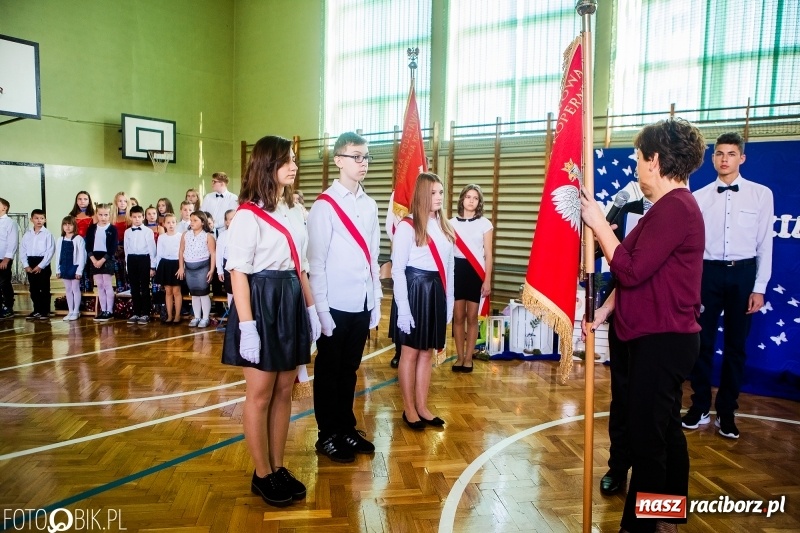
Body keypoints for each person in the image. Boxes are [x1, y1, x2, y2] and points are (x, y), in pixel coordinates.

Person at [581, 117, 706, 533]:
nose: (635, 164)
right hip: (653, 336)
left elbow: (631, 270)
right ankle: (669, 515)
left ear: (655, 160)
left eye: (638, 157)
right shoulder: (664, 209)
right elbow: (635, 274)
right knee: (665, 429)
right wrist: (603, 311)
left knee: (648, 439)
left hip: (664, 339)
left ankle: (641, 527)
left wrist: (599, 225)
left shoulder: (676, 208)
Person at [220, 135, 321, 507]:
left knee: (283, 390)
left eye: (294, 159)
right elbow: (238, 273)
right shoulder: (247, 215)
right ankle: (261, 474)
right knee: (260, 394)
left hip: (290, 299)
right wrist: (247, 327)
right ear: (267, 165)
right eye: (286, 160)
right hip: (262, 303)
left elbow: (301, 266)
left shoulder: (292, 209)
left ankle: (278, 467)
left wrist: (310, 312)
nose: (293, 166)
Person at [682, 132, 774, 440]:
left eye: (731, 154)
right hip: (707, 275)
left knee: (736, 347)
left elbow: (765, 245)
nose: (725, 159)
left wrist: (759, 286)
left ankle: (727, 412)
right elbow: (692, 246)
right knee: (701, 344)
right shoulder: (699, 197)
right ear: (712, 158)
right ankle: (700, 406)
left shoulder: (761, 195)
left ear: (741, 158)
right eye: (719, 153)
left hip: (743, 274)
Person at [307, 132, 382, 463]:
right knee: (328, 371)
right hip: (334, 304)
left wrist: (376, 301)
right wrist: (321, 311)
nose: (362, 163)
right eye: (355, 156)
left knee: (350, 369)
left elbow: (373, 259)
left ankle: (346, 427)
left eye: (366, 156)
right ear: (339, 160)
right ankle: (327, 434)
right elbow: (316, 263)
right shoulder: (324, 206)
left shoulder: (370, 204)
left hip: (361, 302)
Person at [584, 190, 651, 496]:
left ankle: (652, 488)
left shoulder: (681, 212)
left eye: (645, 159)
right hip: (624, 312)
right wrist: (599, 235)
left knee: (657, 411)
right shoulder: (630, 210)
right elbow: (614, 264)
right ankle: (618, 466)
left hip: (661, 327)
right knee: (621, 395)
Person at [391, 172, 455, 429]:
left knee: (427, 353)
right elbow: (397, 270)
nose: (439, 197)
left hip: (436, 292)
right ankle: (409, 409)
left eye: (440, 192)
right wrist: (403, 310)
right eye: (433, 193)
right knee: (410, 352)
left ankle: (423, 406)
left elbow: (449, 268)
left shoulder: (445, 226)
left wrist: (448, 301)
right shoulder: (407, 226)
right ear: (421, 195)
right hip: (414, 290)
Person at [449, 184, 493, 373]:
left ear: (479, 202)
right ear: (462, 199)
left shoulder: (485, 223)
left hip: (476, 272)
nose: (471, 200)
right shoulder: (450, 223)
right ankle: (459, 357)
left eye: (475, 198)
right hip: (457, 271)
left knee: (472, 317)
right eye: (468, 197)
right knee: (458, 317)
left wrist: (487, 280)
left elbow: (489, 255)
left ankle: (469, 358)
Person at [176, 210, 216, 328]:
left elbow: (213, 253)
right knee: (194, 294)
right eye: (191, 220)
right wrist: (181, 267)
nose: (192, 222)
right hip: (189, 268)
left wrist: (212, 269)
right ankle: (197, 317)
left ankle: (205, 318)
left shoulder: (207, 236)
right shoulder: (185, 235)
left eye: (195, 220)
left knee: (203, 293)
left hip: (202, 268)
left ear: (202, 222)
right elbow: (181, 250)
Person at [124, 205, 157, 325]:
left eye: (139, 217)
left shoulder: (148, 231)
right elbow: (126, 250)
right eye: (134, 217)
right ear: (131, 218)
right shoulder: (127, 232)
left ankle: (146, 313)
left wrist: (152, 266)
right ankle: (136, 312)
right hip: (132, 259)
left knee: (144, 287)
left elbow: (152, 250)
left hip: (144, 259)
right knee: (134, 288)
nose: (137, 219)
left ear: (143, 217)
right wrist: (127, 266)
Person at [20, 209, 54, 321]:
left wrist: (41, 266)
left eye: (42, 218)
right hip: (31, 262)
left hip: (42, 263)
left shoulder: (47, 234)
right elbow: (23, 250)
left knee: (44, 288)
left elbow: (50, 251)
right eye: (36, 218)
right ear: (31, 219)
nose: (39, 220)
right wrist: (26, 265)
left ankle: (45, 311)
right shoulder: (27, 234)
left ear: (45, 220)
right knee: (33, 289)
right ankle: (37, 310)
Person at [86, 203, 118, 322]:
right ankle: (103, 310)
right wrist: (94, 260)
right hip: (94, 258)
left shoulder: (112, 229)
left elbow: (112, 247)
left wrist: (102, 260)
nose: (103, 217)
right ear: (96, 215)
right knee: (99, 285)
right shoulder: (92, 228)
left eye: (106, 215)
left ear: (110, 215)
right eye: (101, 215)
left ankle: (109, 311)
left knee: (107, 284)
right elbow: (88, 246)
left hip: (107, 258)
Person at [55, 216, 86, 321]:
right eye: (65, 224)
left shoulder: (78, 239)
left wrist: (79, 270)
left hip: (74, 266)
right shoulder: (60, 239)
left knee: (75, 288)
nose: (67, 227)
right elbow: (58, 255)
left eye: (70, 224)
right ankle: (70, 311)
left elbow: (82, 256)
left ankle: (76, 311)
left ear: (74, 226)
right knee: (68, 289)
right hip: (64, 266)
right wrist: (58, 269)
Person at [154, 213, 183, 324]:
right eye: (168, 222)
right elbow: (159, 253)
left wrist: (182, 267)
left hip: (176, 264)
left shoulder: (180, 236)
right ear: (164, 224)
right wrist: (158, 269)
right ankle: (169, 315)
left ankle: (177, 315)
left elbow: (182, 252)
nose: (171, 225)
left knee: (176, 291)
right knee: (168, 291)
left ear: (176, 223)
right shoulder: (162, 237)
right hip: (165, 264)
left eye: (173, 222)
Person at [69, 191, 96, 294]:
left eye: (85, 199)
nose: (82, 201)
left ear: (89, 201)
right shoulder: (72, 215)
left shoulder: (93, 215)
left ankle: (89, 298)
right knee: (77, 270)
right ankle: (78, 298)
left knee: (88, 271)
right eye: (80, 199)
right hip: (75, 246)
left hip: (89, 245)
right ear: (76, 201)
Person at [201, 172, 238, 236]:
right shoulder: (208, 197)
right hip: (207, 232)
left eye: (214, 181)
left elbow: (229, 217)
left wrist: (213, 225)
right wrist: (207, 225)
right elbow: (202, 213)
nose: (212, 184)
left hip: (223, 232)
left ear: (222, 183)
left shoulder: (233, 198)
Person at [0, 197, 19, 319]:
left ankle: (8, 307)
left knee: (4, 282)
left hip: (3, 258)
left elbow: (12, 242)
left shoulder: (10, 223)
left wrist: (7, 258)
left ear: (4, 207)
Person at [215, 209, 235, 307]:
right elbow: (219, 254)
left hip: (241, 265)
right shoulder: (223, 235)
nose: (233, 221)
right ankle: (232, 315)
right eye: (231, 219)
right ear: (226, 222)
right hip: (228, 266)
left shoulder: (244, 234)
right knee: (230, 292)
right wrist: (220, 271)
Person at [111, 192, 131, 292]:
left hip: (129, 248)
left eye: (125, 201)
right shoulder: (112, 218)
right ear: (116, 202)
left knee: (129, 274)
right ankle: (120, 300)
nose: (122, 203)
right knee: (118, 274)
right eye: (120, 201)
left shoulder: (131, 218)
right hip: (116, 249)